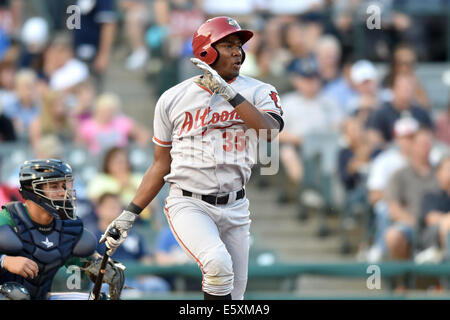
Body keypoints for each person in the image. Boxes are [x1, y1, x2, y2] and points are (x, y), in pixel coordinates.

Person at [100, 16, 283, 300]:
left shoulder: (259, 90)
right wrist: (129, 213)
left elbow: (269, 131)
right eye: (228, 45)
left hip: (236, 206)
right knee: (218, 266)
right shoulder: (172, 99)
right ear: (206, 51)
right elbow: (161, 164)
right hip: (189, 202)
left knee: (235, 298)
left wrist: (229, 94)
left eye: (239, 45)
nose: (238, 52)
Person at [0, 159, 125, 300]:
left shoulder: (66, 226)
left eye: (64, 186)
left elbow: (83, 262)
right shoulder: (8, 219)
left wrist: (97, 263)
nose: (63, 193)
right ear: (32, 190)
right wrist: (4, 261)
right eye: (54, 187)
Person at [91, 192, 170, 296]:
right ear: (99, 210)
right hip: (107, 279)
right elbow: (92, 262)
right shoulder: (93, 236)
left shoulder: (133, 234)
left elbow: (145, 258)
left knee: (157, 285)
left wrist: (143, 274)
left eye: (117, 207)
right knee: (103, 287)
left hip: (135, 279)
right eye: (110, 207)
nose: (114, 210)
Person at [384, 128, 439, 262]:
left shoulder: (441, 173)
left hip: (437, 224)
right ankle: (401, 281)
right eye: (422, 144)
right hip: (410, 224)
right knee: (393, 236)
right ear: (413, 146)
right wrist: (415, 224)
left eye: (428, 144)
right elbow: (394, 209)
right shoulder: (399, 175)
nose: (426, 148)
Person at [76, 92, 150, 155]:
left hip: (120, 159)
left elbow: (143, 135)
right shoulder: (87, 125)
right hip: (96, 161)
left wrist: (135, 151)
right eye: (105, 110)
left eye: (111, 110)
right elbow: (79, 145)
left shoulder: (122, 122)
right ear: (98, 110)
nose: (108, 113)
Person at [418, 155, 450, 258]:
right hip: (432, 239)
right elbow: (432, 219)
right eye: (448, 168)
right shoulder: (432, 196)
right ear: (439, 173)